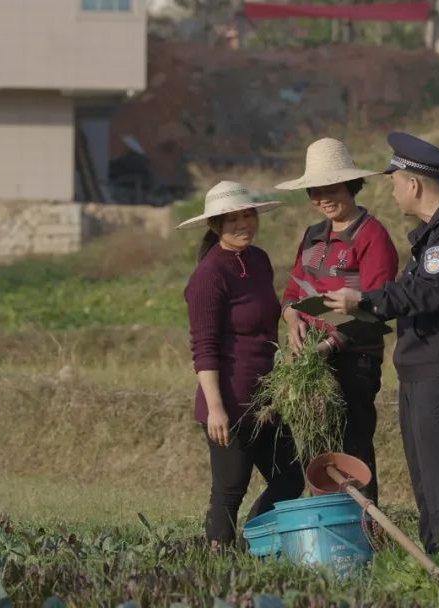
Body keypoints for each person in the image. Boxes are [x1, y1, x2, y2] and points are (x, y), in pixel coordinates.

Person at [324, 133, 439, 554]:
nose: (393, 192)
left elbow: (427, 293)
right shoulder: (434, 233)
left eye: (395, 182)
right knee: (426, 475)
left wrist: (362, 299)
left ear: (413, 184)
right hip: (423, 369)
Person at [178, 180, 305, 549]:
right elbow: (204, 347)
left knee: (290, 479)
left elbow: (267, 315)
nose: (242, 224)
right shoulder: (209, 275)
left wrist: (293, 317)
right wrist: (216, 408)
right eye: (231, 219)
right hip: (230, 403)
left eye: (247, 215)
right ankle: (218, 565)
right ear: (215, 226)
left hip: (266, 398)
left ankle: (252, 541)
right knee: (229, 491)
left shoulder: (259, 260)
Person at [275, 137, 399, 504]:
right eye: (315, 190)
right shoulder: (313, 235)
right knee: (315, 448)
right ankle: (322, 523)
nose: (324, 197)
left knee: (353, 447)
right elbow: (292, 292)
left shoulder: (372, 236)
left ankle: (365, 530)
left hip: (354, 360)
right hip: (311, 362)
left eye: (332, 188)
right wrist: (291, 318)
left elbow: (377, 309)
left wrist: (328, 346)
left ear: (351, 185)